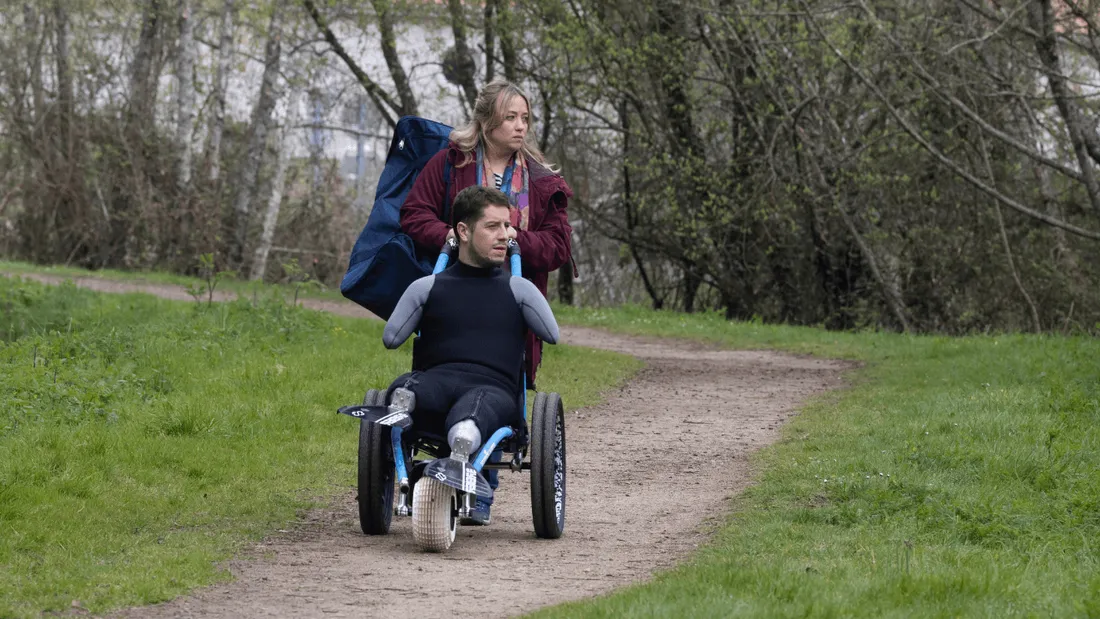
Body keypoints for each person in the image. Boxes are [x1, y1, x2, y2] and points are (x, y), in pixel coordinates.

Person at [382, 186, 560, 526]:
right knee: (404, 388)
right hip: (435, 381)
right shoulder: (428, 287)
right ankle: (402, 414)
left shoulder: (517, 289)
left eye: (507, 226)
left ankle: (461, 447)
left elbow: (552, 335)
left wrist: (530, 297)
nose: (505, 236)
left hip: (491, 389)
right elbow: (391, 338)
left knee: (472, 412)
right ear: (463, 231)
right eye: (492, 227)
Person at [401, 79, 573, 390]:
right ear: (486, 121)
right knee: (442, 363)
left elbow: (558, 247)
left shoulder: (541, 180)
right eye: (510, 118)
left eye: (525, 118)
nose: (520, 126)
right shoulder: (452, 164)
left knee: (500, 374)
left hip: (509, 296)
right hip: (454, 287)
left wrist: (512, 238)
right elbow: (414, 214)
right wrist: (456, 236)